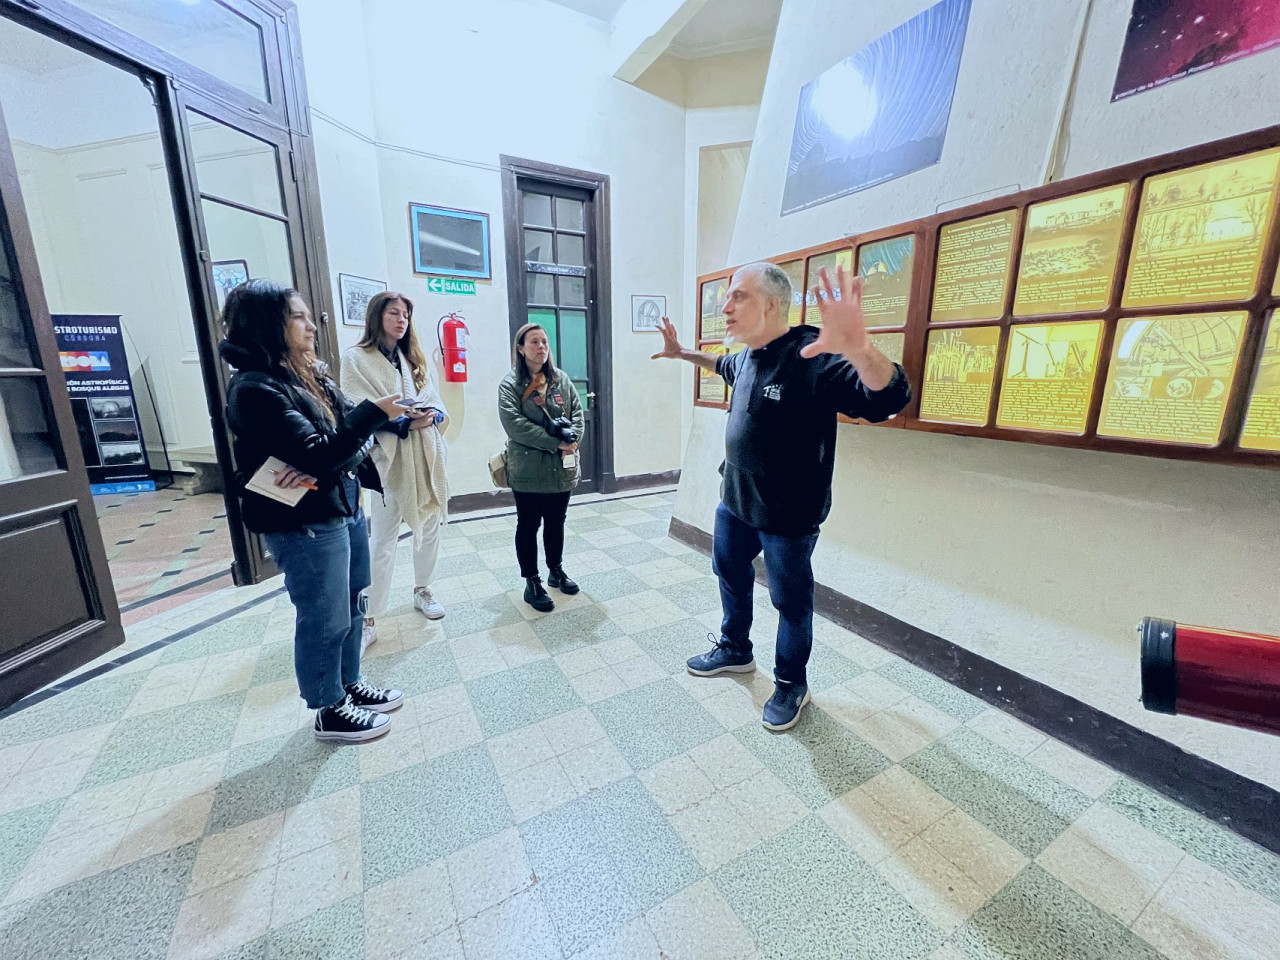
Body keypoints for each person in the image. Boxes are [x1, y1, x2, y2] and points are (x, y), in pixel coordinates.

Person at [652, 262, 911, 731]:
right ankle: (736, 649)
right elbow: (723, 365)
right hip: (735, 501)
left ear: (772, 303)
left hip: (789, 517)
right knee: (728, 570)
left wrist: (860, 348)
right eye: (726, 297)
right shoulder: (749, 355)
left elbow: (888, 398)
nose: (725, 306)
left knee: (790, 602)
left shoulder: (812, 354)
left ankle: (792, 684)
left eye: (738, 297)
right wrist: (682, 353)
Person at [221, 279, 405, 743]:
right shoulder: (255, 389)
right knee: (325, 618)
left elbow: (340, 446)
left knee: (353, 604)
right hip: (302, 523)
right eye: (298, 317)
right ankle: (328, 708)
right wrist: (367, 420)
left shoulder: (309, 374)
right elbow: (330, 447)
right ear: (269, 324)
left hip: (342, 505)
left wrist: (342, 443)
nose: (311, 324)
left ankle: (349, 684)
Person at [341, 291, 450, 652]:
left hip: (425, 455)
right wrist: (404, 424)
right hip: (388, 460)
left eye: (405, 314)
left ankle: (423, 588)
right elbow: (358, 409)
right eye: (393, 313)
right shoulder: (357, 359)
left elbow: (434, 399)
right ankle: (369, 618)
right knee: (383, 540)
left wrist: (431, 416)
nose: (401, 320)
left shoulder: (413, 358)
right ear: (377, 317)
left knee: (430, 524)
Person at [498, 323, 585, 613]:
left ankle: (555, 570)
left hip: (562, 469)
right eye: (534, 342)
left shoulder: (561, 379)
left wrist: (573, 441)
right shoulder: (510, 385)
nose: (541, 347)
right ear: (521, 349)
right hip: (528, 471)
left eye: (545, 342)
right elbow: (515, 426)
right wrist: (554, 442)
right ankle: (531, 581)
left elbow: (577, 414)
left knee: (556, 521)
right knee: (528, 524)